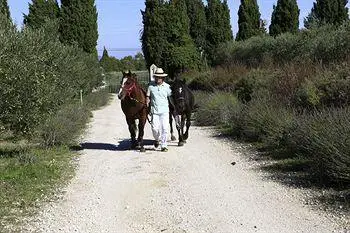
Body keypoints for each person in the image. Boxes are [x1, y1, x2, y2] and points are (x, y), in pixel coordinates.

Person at [146, 67, 172, 152]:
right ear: (155, 77)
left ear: (163, 78)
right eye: (156, 77)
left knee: (165, 128)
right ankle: (157, 139)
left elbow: (171, 97)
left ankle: (164, 145)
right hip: (155, 111)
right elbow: (148, 97)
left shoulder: (167, 87)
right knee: (154, 129)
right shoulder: (151, 86)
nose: (158, 78)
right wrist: (147, 103)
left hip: (165, 111)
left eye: (160, 77)